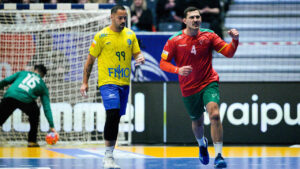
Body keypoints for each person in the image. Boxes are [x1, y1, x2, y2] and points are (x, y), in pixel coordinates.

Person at [159, 7, 239, 168]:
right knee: (197, 122)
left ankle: (218, 156)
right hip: (189, 87)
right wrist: (177, 70)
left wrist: (235, 40)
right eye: (192, 17)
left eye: (198, 17)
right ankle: (202, 144)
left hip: (209, 81)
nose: (196, 20)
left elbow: (229, 53)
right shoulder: (174, 40)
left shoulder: (209, 35)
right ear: (185, 21)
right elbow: (163, 63)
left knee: (214, 114)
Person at [80, 5, 145, 169]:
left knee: (116, 118)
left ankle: (110, 154)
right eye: (120, 18)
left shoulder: (130, 35)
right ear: (112, 17)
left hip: (124, 83)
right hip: (107, 83)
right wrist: (85, 82)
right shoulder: (101, 36)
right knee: (113, 113)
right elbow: (90, 61)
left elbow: (136, 53)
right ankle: (108, 156)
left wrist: (140, 57)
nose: (123, 21)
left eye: (125, 18)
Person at [0, 64, 58, 147]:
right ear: (43, 76)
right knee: (35, 112)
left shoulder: (22, 73)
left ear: (34, 70)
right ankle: (32, 141)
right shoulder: (43, 86)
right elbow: (46, 108)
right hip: (25, 100)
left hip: (10, 96)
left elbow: (6, 81)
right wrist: (52, 126)